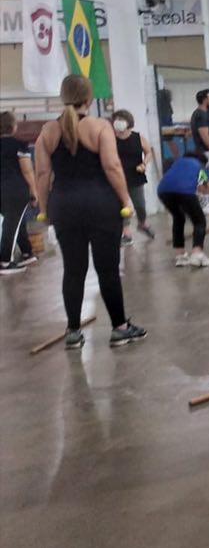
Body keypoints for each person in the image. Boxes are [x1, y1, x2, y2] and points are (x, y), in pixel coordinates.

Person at [34, 75, 145, 350]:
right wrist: (126, 200)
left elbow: (42, 173)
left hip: (64, 206)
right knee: (107, 269)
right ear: (89, 99)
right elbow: (112, 167)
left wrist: (45, 209)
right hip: (101, 205)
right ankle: (120, 328)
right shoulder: (99, 127)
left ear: (63, 98)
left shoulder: (48, 131)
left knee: (73, 270)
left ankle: (73, 332)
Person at [158, 150, 209, 267]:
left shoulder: (178, 163)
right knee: (200, 221)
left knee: (178, 218)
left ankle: (181, 256)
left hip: (163, 191)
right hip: (185, 191)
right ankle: (197, 253)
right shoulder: (200, 167)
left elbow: (194, 184)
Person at [0, 111, 38, 274]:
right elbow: (27, 170)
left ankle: (27, 252)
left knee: (15, 221)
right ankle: (5, 262)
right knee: (11, 223)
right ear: (13, 127)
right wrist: (34, 191)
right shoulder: (19, 145)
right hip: (15, 189)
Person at [112, 109, 157, 244]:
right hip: (118, 177)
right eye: (116, 119)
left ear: (128, 122)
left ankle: (142, 223)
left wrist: (144, 164)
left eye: (121, 119)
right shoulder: (111, 139)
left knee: (140, 205)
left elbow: (149, 152)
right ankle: (126, 234)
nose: (118, 122)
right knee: (122, 207)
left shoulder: (138, 138)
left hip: (136, 176)